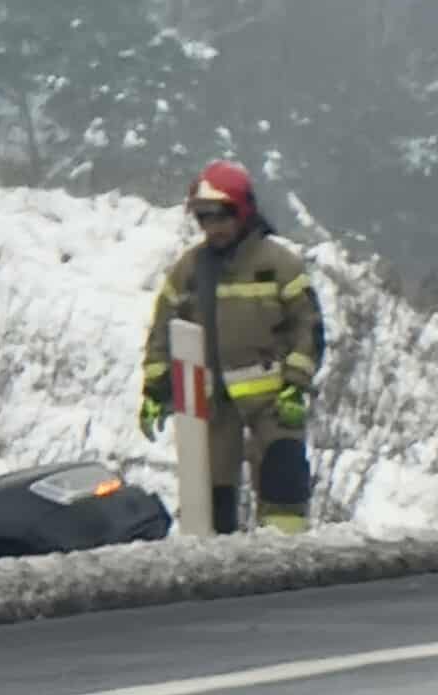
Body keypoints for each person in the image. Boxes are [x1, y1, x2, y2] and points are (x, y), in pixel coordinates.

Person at [138, 160, 326, 534]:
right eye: (204, 218)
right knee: (211, 501)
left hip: (274, 401)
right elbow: (163, 331)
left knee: (284, 486)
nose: (214, 227)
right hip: (213, 405)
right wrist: (155, 390)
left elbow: (308, 327)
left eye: (221, 216)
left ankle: (286, 558)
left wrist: (295, 385)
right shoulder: (190, 270)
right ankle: (220, 564)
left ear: (243, 212)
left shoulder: (278, 265)